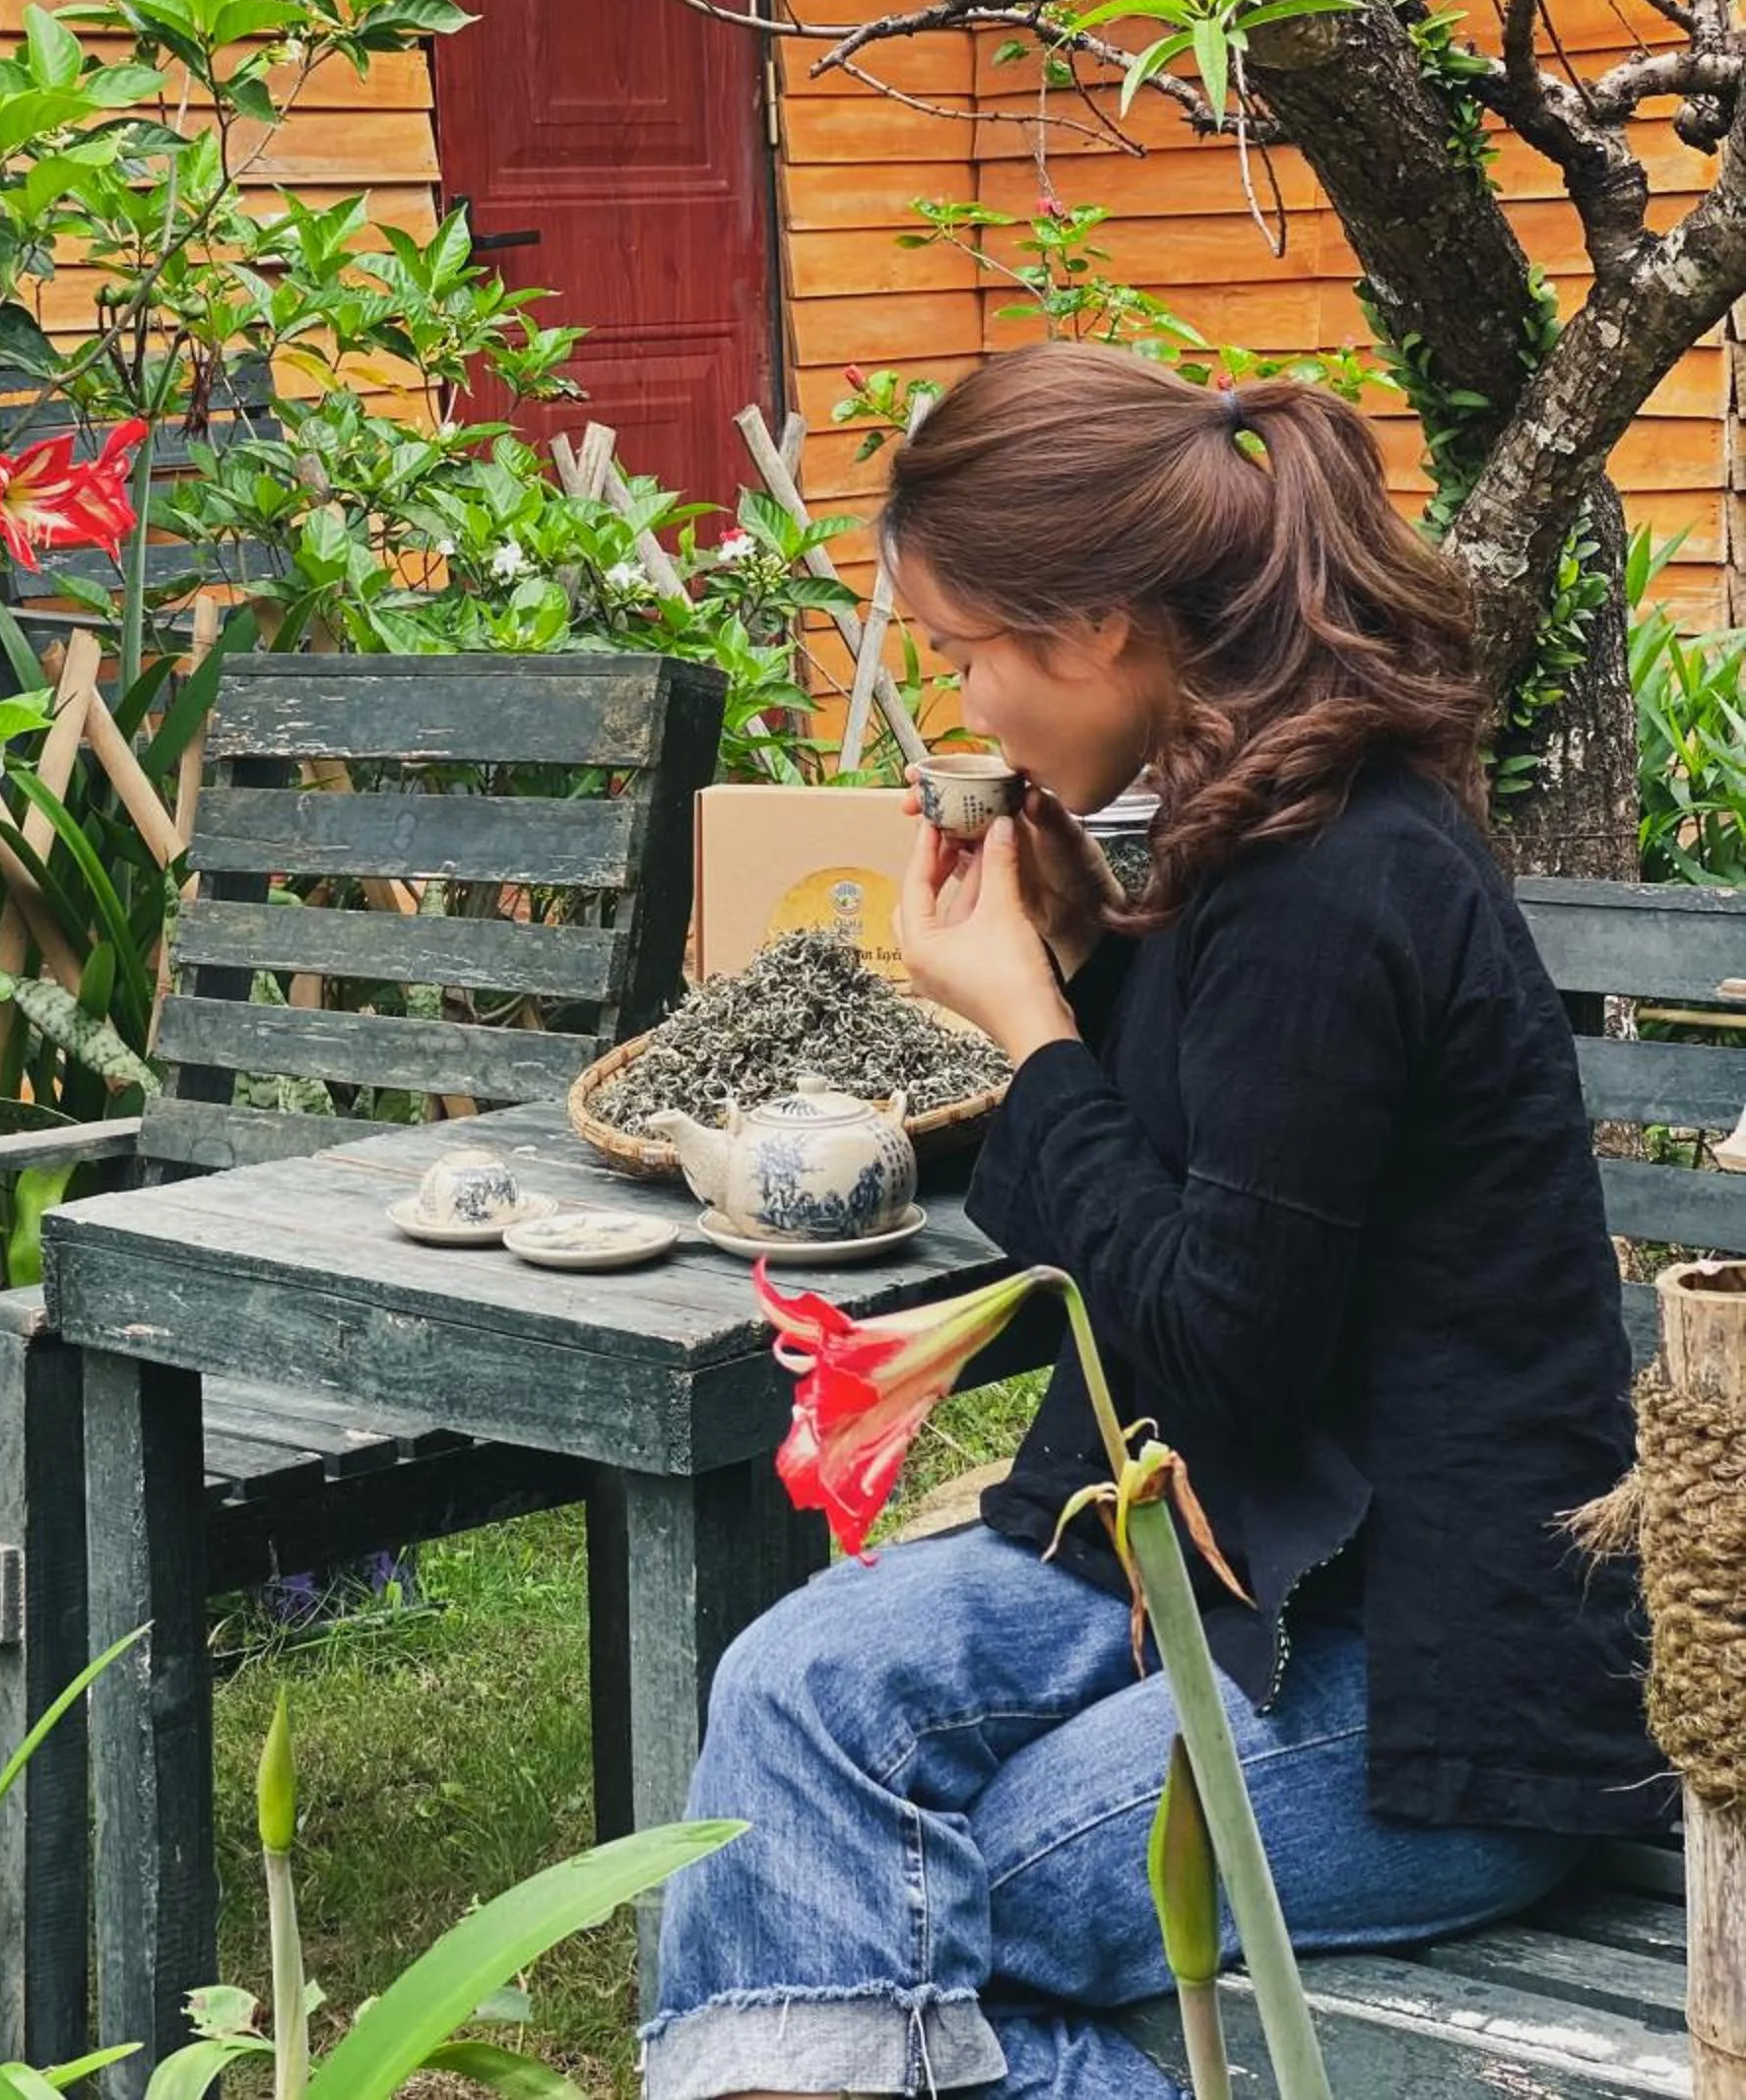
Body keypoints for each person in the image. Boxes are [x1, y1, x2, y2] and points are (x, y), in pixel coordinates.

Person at [642, 345, 1665, 2100]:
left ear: (1101, 622)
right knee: (794, 1681)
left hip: (1434, 1690)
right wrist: (1082, 964)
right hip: (1245, 1556)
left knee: (930, 1900)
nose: (964, 710)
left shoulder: (1339, 881)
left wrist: (1028, 1029)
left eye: (964, 654)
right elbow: (1138, 1249)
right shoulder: (1240, 830)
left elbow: (1211, 1348)